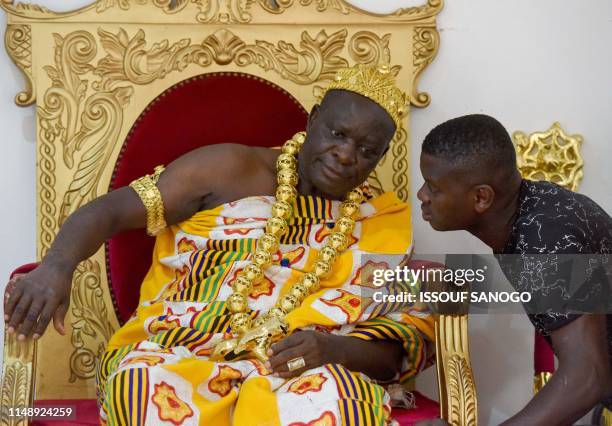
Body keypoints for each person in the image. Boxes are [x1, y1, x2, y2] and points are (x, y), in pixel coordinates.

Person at [5, 64, 434, 425]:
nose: (345, 155)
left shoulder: (380, 223)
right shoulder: (229, 168)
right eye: (337, 133)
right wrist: (56, 266)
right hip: (181, 349)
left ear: (380, 158)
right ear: (313, 118)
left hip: (300, 370)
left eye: (366, 149)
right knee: (140, 388)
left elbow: (396, 351)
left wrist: (333, 348)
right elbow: (110, 211)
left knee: (342, 403)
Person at [418, 114, 612, 425]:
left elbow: (586, 378)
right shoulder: (531, 214)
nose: (422, 196)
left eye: (433, 187)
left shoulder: (544, 238)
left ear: (481, 197)